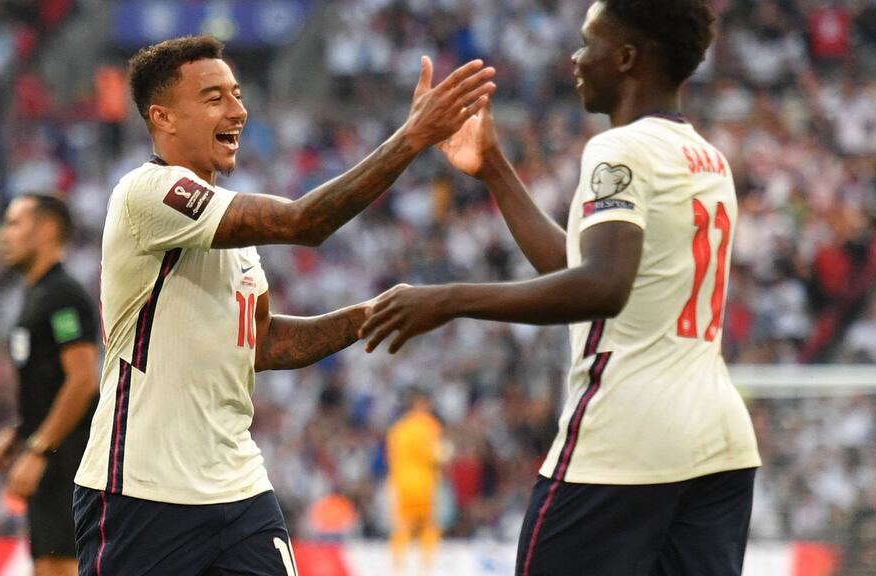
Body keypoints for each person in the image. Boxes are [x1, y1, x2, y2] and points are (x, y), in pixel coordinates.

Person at [361, 1, 761, 575]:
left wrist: (447, 299)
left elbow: (601, 286)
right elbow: (578, 264)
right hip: (718, 443)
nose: (576, 57)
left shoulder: (619, 149)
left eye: (588, 42)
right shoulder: (708, 157)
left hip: (626, 437)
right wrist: (495, 168)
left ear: (625, 58)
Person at [72, 35, 495, 575]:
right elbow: (302, 222)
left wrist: (373, 314)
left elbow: (264, 343)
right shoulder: (148, 191)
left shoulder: (232, 233)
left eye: (238, 93)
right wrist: (411, 138)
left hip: (238, 485)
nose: (238, 109)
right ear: (164, 117)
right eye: (214, 97)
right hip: (142, 489)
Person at [0, 194, 100, 576]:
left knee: (65, 567)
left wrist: (36, 449)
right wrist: (20, 433)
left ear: (47, 229)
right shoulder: (37, 296)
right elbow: (51, 384)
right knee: (48, 566)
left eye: (15, 223)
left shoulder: (64, 296)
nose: (5, 235)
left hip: (69, 462)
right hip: (50, 459)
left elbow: (82, 380)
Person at [385, 388, 448, 574]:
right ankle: (427, 567)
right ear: (422, 404)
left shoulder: (398, 429)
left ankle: (398, 566)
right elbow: (436, 454)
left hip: (402, 483)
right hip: (423, 483)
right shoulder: (429, 426)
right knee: (428, 525)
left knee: (402, 525)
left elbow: (392, 457)